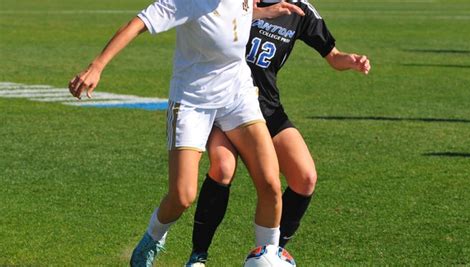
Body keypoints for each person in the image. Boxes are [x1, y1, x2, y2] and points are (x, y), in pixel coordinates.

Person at [68, 0, 305, 266]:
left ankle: (268, 258)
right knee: (182, 196)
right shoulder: (186, 2)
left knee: (271, 184)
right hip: (193, 101)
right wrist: (97, 65)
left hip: (238, 96)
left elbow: (233, 18)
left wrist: (263, 12)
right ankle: (152, 239)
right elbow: (137, 24)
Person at [186, 0, 371, 265]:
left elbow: (333, 56)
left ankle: (271, 254)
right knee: (223, 167)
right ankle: (198, 256)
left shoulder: (300, 11)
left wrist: (350, 61)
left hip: (266, 108)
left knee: (305, 177)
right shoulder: (240, 2)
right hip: (224, 103)